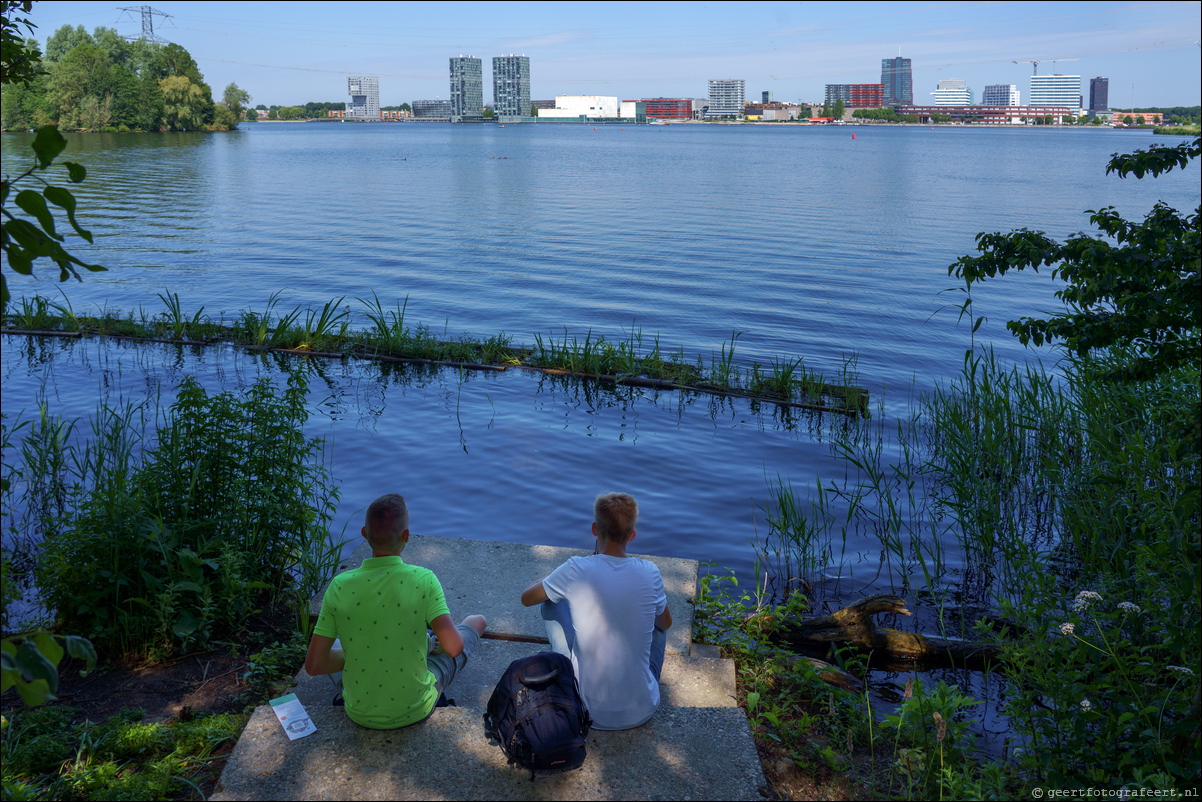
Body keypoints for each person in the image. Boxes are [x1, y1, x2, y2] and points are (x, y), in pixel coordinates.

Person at [304, 493, 487, 729]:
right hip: (416, 708)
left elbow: (314, 665)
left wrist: (364, 653)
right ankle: (462, 630)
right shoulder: (424, 580)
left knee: (338, 640)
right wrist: (432, 645)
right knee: (477, 621)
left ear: (364, 534)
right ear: (406, 536)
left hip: (359, 712)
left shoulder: (339, 586)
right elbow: (453, 647)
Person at [520, 492, 672, 730]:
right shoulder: (650, 572)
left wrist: (553, 581)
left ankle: (568, 675)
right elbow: (666, 624)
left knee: (550, 600)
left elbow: (527, 598)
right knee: (658, 622)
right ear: (632, 535)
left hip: (586, 711)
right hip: (642, 709)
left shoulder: (575, 569)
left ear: (594, 529)